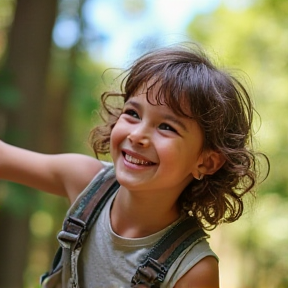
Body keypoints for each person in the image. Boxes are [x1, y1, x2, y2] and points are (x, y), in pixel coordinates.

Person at [0, 43, 269, 288]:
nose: (137, 135)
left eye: (166, 127)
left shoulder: (193, 270)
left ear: (206, 162)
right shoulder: (85, 181)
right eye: (132, 113)